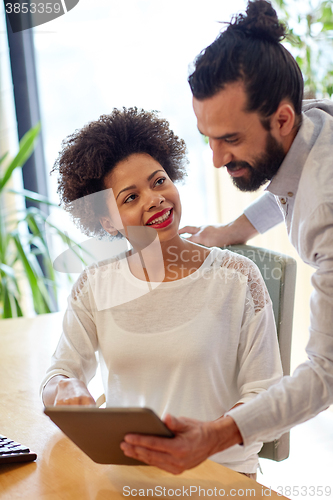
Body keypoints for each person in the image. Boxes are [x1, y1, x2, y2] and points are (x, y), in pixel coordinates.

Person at [120, 0, 333, 475]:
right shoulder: (311, 118)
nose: (216, 160)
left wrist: (215, 435)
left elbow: (325, 373)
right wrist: (238, 228)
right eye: (207, 138)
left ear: (281, 118)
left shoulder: (326, 213)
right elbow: (291, 175)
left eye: (231, 140)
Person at [41, 107, 283, 478]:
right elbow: (57, 376)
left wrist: (210, 437)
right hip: (131, 473)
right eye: (130, 198)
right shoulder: (95, 284)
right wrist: (65, 386)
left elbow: (267, 396)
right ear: (107, 221)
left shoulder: (237, 278)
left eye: (158, 181)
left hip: (217, 473)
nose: (154, 199)